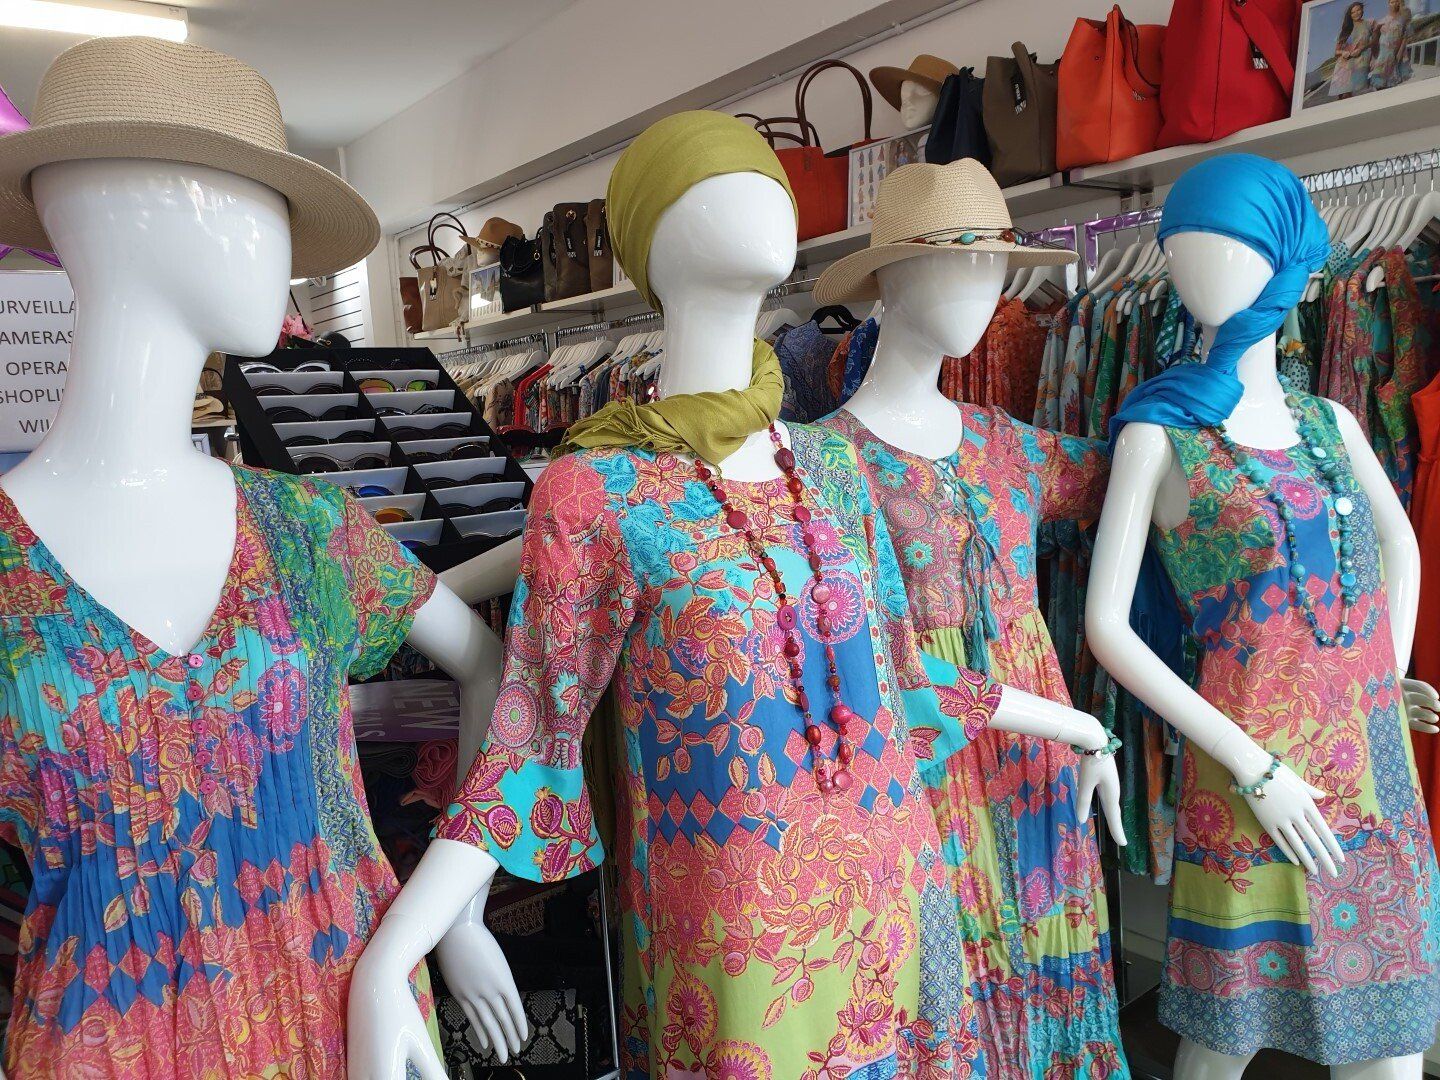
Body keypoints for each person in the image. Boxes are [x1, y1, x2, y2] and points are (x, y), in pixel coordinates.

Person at [1330, 1, 1375, 99]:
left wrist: (1361, 49)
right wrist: (1343, 52)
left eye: (1358, 10)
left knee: (1361, 96)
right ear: (1349, 15)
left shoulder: (1369, 23)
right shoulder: (1345, 30)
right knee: (1344, 97)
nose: (1356, 13)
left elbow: (1374, 42)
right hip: (1344, 67)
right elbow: (1336, 52)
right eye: (1353, 12)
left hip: (1361, 64)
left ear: (1362, 10)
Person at [1370, 0, 1414, 89]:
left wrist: (1398, 54)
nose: (1394, 4)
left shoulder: (1404, 18)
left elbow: (1405, 38)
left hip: (1394, 54)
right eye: (1391, 2)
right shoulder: (1381, 21)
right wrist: (1373, 58)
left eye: (1396, 1)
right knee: (1378, 83)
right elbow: (1375, 42)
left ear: (1400, 2)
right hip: (1381, 55)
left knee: (1391, 84)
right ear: (1388, 3)